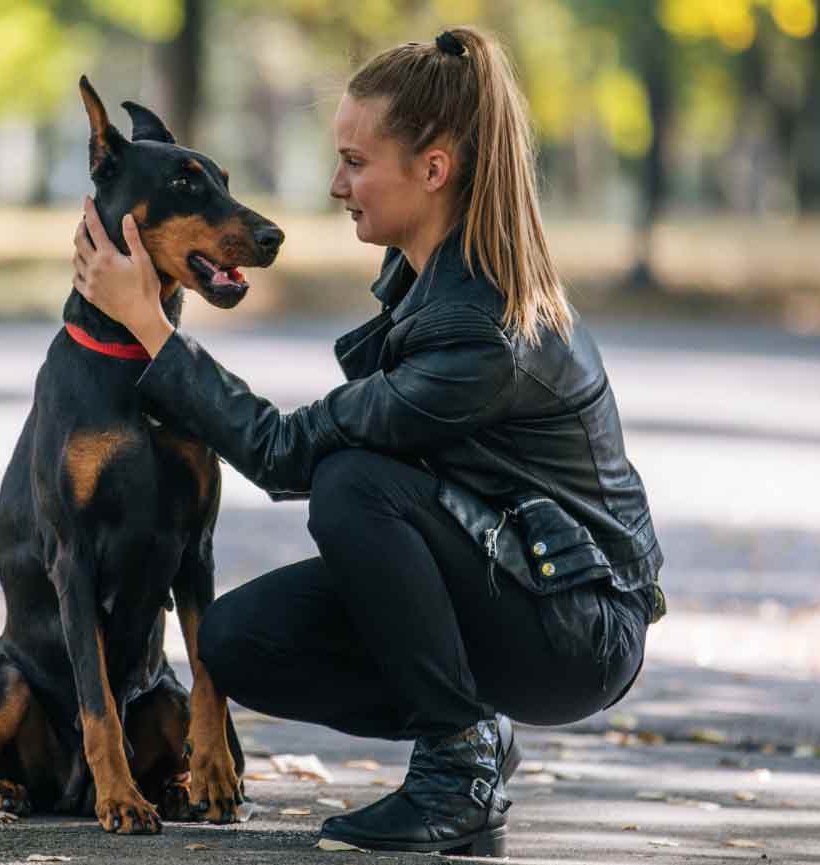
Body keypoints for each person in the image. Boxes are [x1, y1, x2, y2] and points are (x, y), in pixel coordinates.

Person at [71, 26, 665, 857]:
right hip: (516, 576)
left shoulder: (477, 327)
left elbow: (290, 453)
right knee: (241, 642)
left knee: (352, 481)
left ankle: (457, 773)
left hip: (579, 627)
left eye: (355, 160)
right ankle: (473, 735)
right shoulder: (435, 279)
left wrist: (148, 326)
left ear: (433, 170)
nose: (335, 183)